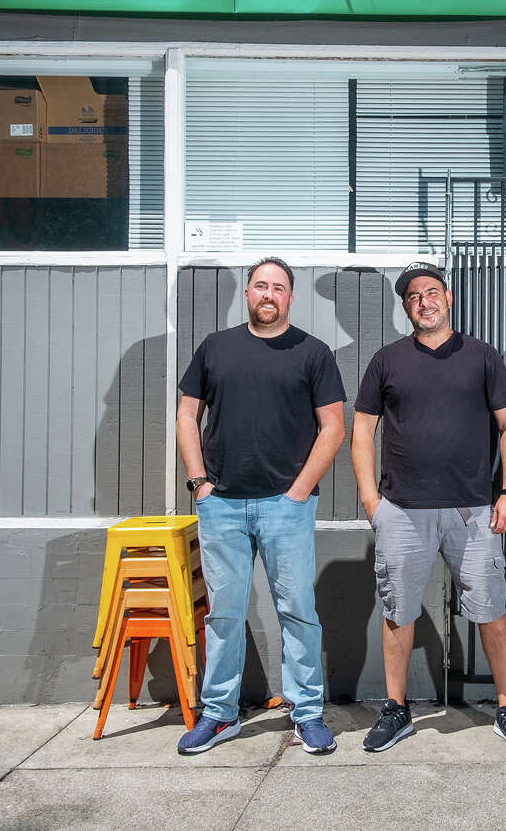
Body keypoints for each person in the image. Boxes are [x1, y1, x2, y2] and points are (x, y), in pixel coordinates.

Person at [350, 261, 506, 754]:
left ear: (449, 297)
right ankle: (397, 710)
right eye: (413, 296)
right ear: (405, 306)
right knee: (398, 612)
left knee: (491, 611)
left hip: (473, 510)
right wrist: (372, 499)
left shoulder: (481, 356)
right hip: (403, 510)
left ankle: (505, 705)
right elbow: (362, 430)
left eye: (431, 292)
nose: (424, 302)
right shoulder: (387, 360)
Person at [174, 258, 346, 756]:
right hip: (221, 504)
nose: (268, 294)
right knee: (223, 615)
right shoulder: (215, 348)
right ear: (247, 293)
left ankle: (307, 713)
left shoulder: (312, 352)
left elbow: (333, 427)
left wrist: (298, 491)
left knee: (298, 611)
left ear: (290, 297)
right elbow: (187, 414)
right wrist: (198, 481)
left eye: (279, 287)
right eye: (260, 285)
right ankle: (220, 715)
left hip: (284, 506)